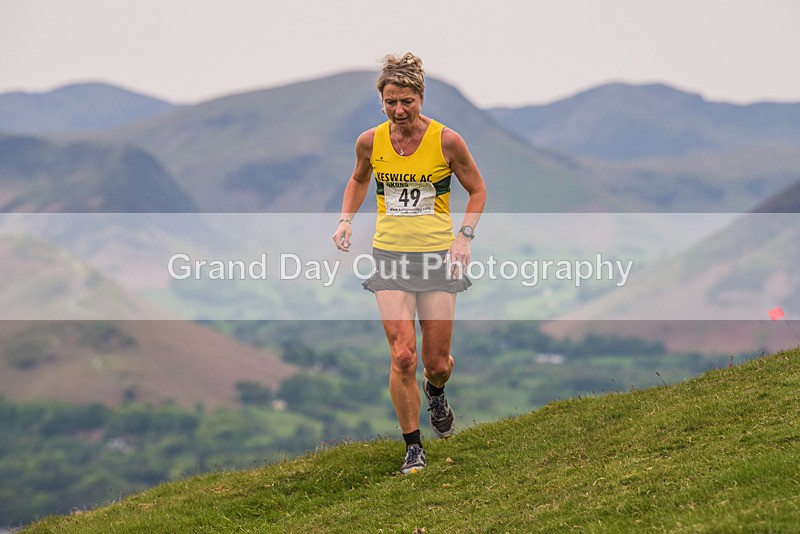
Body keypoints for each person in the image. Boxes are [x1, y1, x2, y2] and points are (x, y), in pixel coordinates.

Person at [332, 52, 487, 474]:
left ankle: (436, 392)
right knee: (403, 355)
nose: (399, 110)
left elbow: (477, 191)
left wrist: (464, 238)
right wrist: (346, 219)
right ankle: (413, 446)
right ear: (381, 101)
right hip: (390, 259)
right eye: (390, 101)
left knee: (436, 363)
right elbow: (359, 178)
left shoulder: (447, 141)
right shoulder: (370, 141)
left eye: (407, 101)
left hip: (438, 259)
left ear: (421, 97)